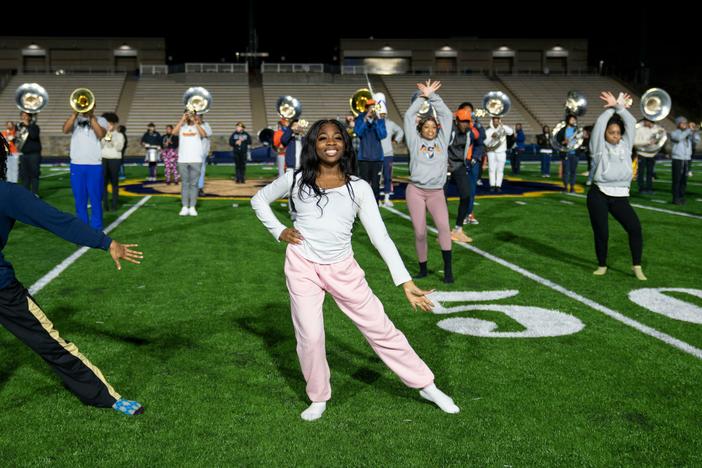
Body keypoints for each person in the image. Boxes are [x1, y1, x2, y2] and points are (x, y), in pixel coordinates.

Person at [251, 119, 459, 422]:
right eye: (322, 138)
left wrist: (404, 281)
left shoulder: (358, 188)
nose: (330, 143)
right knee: (309, 336)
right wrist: (279, 230)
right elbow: (259, 200)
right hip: (302, 266)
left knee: (381, 329)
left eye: (337, 138)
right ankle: (318, 397)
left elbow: (380, 237)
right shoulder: (293, 179)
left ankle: (426, 385)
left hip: (343, 268)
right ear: (313, 144)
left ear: (346, 145)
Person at [0, 134, 144, 415]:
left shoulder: (6, 194)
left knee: (48, 341)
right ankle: (105, 397)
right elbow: (57, 221)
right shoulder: (8, 192)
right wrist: (107, 242)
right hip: (3, 290)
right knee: (50, 343)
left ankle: (105, 397)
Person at [587, 91, 646, 281]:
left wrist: (620, 107)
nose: (615, 136)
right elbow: (599, 126)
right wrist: (611, 108)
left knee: (635, 228)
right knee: (602, 232)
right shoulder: (598, 148)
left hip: (620, 195)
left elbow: (630, 123)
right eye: (611, 133)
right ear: (605, 134)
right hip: (599, 194)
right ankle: (602, 265)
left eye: (618, 133)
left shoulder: (626, 146)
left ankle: (636, 266)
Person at [403, 80, 454, 283]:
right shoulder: (414, 142)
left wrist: (433, 96)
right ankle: (423, 269)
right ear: (421, 128)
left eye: (434, 126)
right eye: (427, 126)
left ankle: (448, 269)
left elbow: (447, 116)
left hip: (436, 193)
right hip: (415, 191)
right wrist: (422, 97)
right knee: (420, 232)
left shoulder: (442, 141)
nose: (431, 129)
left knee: (443, 227)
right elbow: (408, 116)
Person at [62, 106, 108, 230]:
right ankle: (83, 230)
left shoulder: (101, 120)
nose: (84, 106)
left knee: (95, 199)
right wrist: (74, 114)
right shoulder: (75, 119)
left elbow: (101, 134)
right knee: (80, 200)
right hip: (77, 164)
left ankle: (96, 229)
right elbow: (65, 130)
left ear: (94, 106)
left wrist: (91, 117)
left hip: (94, 165)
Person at [446, 107, 474, 243]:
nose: (465, 124)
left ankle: (458, 229)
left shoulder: (470, 132)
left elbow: (480, 141)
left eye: (467, 122)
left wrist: (474, 158)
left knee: (466, 194)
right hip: (444, 165)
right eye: (462, 121)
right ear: (456, 121)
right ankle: (443, 231)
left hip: (459, 165)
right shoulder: (449, 129)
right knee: (441, 199)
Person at [173, 111, 207, 216]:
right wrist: (182, 119)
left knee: (194, 184)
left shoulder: (198, 127)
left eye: (191, 114)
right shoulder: (182, 127)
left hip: (196, 159)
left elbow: (204, 135)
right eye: (187, 114)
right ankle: (184, 206)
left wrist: (195, 121)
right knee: (184, 184)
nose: (189, 116)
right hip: (183, 159)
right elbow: (173, 132)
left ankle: (192, 207)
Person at [355, 99, 387, 204]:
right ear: (366, 108)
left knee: (376, 185)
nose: (372, 109)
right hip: (363, 158)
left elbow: (382, 135)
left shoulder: (380, 119)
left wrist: (377, 121)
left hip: (377, 159)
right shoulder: (360, 118)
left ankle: (375, 207)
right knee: (363, 185)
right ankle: (362, 206)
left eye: (374, 106)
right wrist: (365, 119)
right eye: (370, 107)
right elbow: (358, 132)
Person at [669, 116, 700, 205]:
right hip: (677, 159)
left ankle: (681, 197)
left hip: (686, 159)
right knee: (677, 180)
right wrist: (689, 130)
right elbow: (679, 138)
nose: (685, 124)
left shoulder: (688, 133)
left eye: (686, 123)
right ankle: (675, 198)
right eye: (683, 123)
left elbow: (697, 140)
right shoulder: (674, 133)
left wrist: (695, 132)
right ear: (678, 124)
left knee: (684, 180)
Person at [100, 113, 125, 212]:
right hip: (104, 158)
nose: (108, 126)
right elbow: (102, 145)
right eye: (107, 124)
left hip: (115, 159)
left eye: (110, 124)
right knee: (104, 183)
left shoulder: (120, 135)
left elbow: (119, 148)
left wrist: (110, 135)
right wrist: (107, 134)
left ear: (114, 124)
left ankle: (114, 204)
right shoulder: (103, 134)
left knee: (114, 183)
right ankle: (105, 204)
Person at [485, 115, 514, 193]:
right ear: (492, 120)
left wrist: (502, 125)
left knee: (500, 170)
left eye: (497, 119)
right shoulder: (488, 130)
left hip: (501, 152)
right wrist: (491, 138)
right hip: (491, 152)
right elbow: (485, 142)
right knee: (491, 169)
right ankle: (492, 185)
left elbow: (511, 132)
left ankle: (498, 185)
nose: (496, 121)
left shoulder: (503, 128)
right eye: (495, 119)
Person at [380, 116, 403, 207]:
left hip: (388, 154)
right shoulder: (374, 123)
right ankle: (376, 199)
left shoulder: (390, 123)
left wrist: (396, 140)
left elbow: (400, 131)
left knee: (387, 177)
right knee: (375, 178)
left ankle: (386, 199)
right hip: (376, 154)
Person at [634, 119, 662, 194]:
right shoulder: (639, 130)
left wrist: (656, 128)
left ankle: (649, 188)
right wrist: (647, 142)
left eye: (650, 121)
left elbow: (661, 135)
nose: (647, 123)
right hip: (642, 153)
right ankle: (641, 189)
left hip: (652, 154)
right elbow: (635, 142)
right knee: (641, 172)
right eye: (646, 121)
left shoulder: (655, 129)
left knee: (650, 172)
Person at [17, 111, 42, 195]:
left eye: (25, 116)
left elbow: (33, 135)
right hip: (23, 154)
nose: (23, 117)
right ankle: (26, 194)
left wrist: (27, 125)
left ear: (30, 117)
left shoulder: (34, 127)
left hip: (34, 155)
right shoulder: (20, 128)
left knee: (34, 175)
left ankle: (35, 194)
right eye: (22, 115)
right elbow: (18, 141)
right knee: (24, 176)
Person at [556, 115, 580, 193]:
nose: (573, 121)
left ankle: (572, 187)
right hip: (566, 153)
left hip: (574, 154)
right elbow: (557, 140)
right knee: (565, 171)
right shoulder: (563, 130)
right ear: (568, 120)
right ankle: (565, 187)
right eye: (572, 119)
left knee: (573, 171)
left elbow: (581, 141)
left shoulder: (577, 130)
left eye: (574, 120)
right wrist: (563, 142)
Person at [196, 114, 213, 196]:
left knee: (201, 170)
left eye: (199, 117)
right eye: (196, 117)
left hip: (203, 151)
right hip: (193, 152)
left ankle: (200, 188)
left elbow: (206, 134)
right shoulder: (192, 126)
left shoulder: (206, 125)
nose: (197, 118)